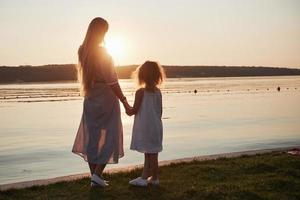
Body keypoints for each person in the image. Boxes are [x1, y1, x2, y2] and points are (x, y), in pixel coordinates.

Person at [72, 17, 129, 187]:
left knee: (93, 138)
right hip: (106, 97)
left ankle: (94, 178)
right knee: (111, 136)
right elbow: (112, 81)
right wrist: (125, 101)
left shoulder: (82, 51)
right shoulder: (103, 53)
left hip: (91, 97)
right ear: (102, 32)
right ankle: (97, 174)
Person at [125, 61, 165, 186]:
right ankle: (145, 177)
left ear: (142, 76)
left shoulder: (140, 92)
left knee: (151, 154)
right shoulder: (158, 92)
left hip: (146, 127)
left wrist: (125, 103)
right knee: (151, 153)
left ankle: (154, 179)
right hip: (156, 126)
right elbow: (160, 111)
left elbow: (132, 111)